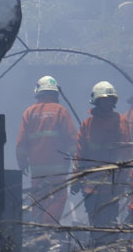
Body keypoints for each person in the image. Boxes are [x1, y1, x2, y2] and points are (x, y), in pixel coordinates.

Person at [15, 76, 77, 225]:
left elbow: (21, 142)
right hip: (59, 168)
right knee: (58, 196)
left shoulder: (29, 113)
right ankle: (49, 226)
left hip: (38, 169)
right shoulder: (61, 111)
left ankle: (39, 227)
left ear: (38, 93)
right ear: (55, 94)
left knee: (38, 197)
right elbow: (72, 140)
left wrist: (22, 163)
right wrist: (76, 162)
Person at [71, 81, 131, 234]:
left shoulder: (120, 121)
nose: (107, 103)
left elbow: (125, 151)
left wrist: (124, 177)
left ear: (113, 102)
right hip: (91, 187)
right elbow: (80, 154)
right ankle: (97, 248)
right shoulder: (87, 124)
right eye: (104, 100)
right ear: (97, 101)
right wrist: (76, 178)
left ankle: (106, 248)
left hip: (113, 185)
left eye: (109, 100)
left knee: (109, 221)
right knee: (95, 222)